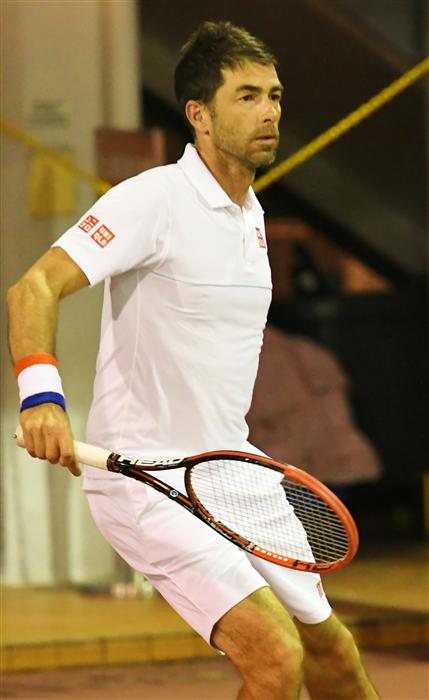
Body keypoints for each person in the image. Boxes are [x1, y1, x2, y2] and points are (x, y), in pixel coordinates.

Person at [8, 20, 379, 700]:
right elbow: (32, 288)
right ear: (199, 115)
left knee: (334, 655)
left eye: (274, 95)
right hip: (144, 477)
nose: (269, 112)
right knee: (275, 658)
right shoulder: (153, 199)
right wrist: (42, 398)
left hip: (233, 469)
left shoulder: (252, 216)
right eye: (246, 96)